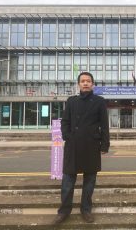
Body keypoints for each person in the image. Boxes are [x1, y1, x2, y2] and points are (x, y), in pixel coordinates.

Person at [52, 72, 110, 225]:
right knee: (67, 181)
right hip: (73, 145)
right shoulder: (72, 101)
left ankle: (86, 210)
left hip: (91, 145)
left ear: (93, 84)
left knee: (89, 181)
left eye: (88, 81)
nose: (85, 83)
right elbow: (65, 122)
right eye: (83, 81)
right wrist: (67, 136)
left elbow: (104, 125)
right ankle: (64, 211)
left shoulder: (99, 101)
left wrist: (105, 144)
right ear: (78, 84)